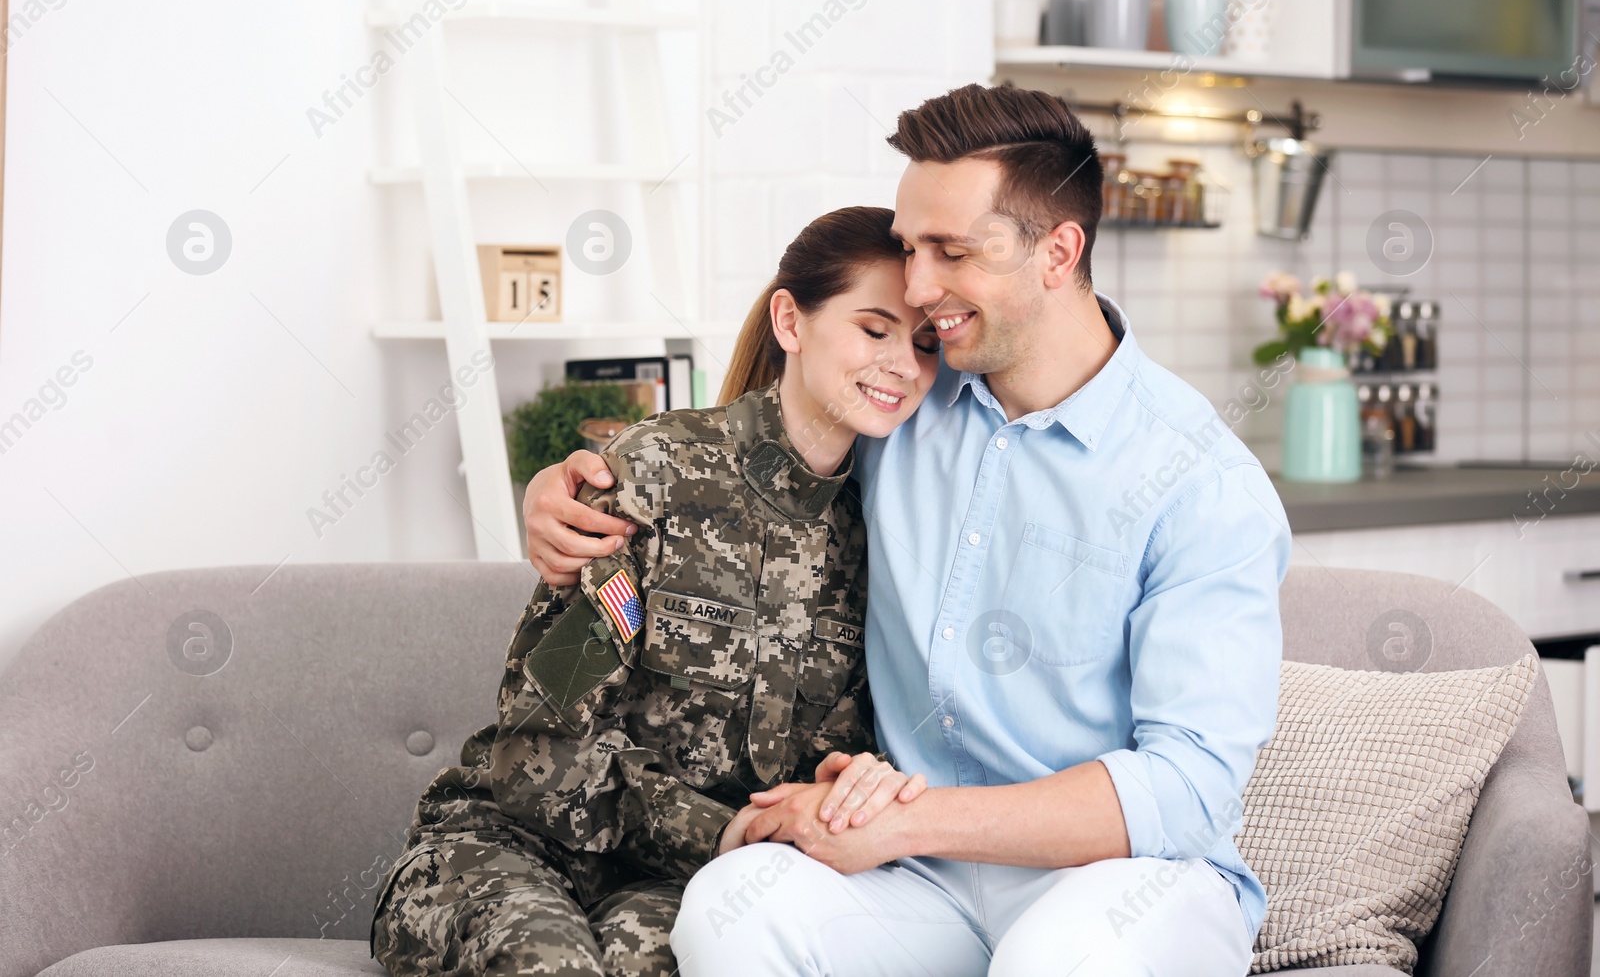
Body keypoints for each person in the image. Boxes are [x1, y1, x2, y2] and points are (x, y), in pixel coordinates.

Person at [522, 84, 1292, 976]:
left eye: (952, 251)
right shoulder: (905, 401)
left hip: (1121, 882)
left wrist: (909, 819)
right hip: (921, 879)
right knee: (734, 914)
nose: (919, 290)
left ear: (1059, 251)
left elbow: (1189, 788)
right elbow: (742, 466)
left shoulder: (1200, 481)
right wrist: (574, 488)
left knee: (1061, 958)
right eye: (910, 246)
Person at [369, 205, 942, 977]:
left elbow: (831, 765)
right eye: (875, 330)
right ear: (790, 320)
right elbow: (540, 746)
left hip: (679, 883)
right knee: (551, 964)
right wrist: (722, 829)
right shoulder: (653, 474)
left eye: (925, 341)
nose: (903, 363)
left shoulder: (882, 533)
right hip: (511, 844)